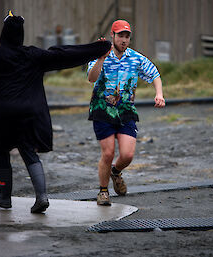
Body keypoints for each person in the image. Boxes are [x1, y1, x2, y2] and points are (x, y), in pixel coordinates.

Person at [0, 11, 111, 213]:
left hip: (1, 115)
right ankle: (41, 197)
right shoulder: (32, 55)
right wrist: (100, 47)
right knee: (27, 151)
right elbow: (64, 54)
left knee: (1, 152)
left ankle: (5, 196)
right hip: (27, 114)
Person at [87, 20, 165, 206]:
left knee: (128, 155)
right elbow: (91, 78)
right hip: (102, 109)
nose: (123, 39)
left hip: (126, 110)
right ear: (112, 36)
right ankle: (103, 191)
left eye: (127, 36)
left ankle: (115, 172)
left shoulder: (135, 58)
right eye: (120, 35)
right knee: (108, 153)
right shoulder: (101, 55)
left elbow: (155, 74)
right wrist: (101, 58)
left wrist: (159, 94)